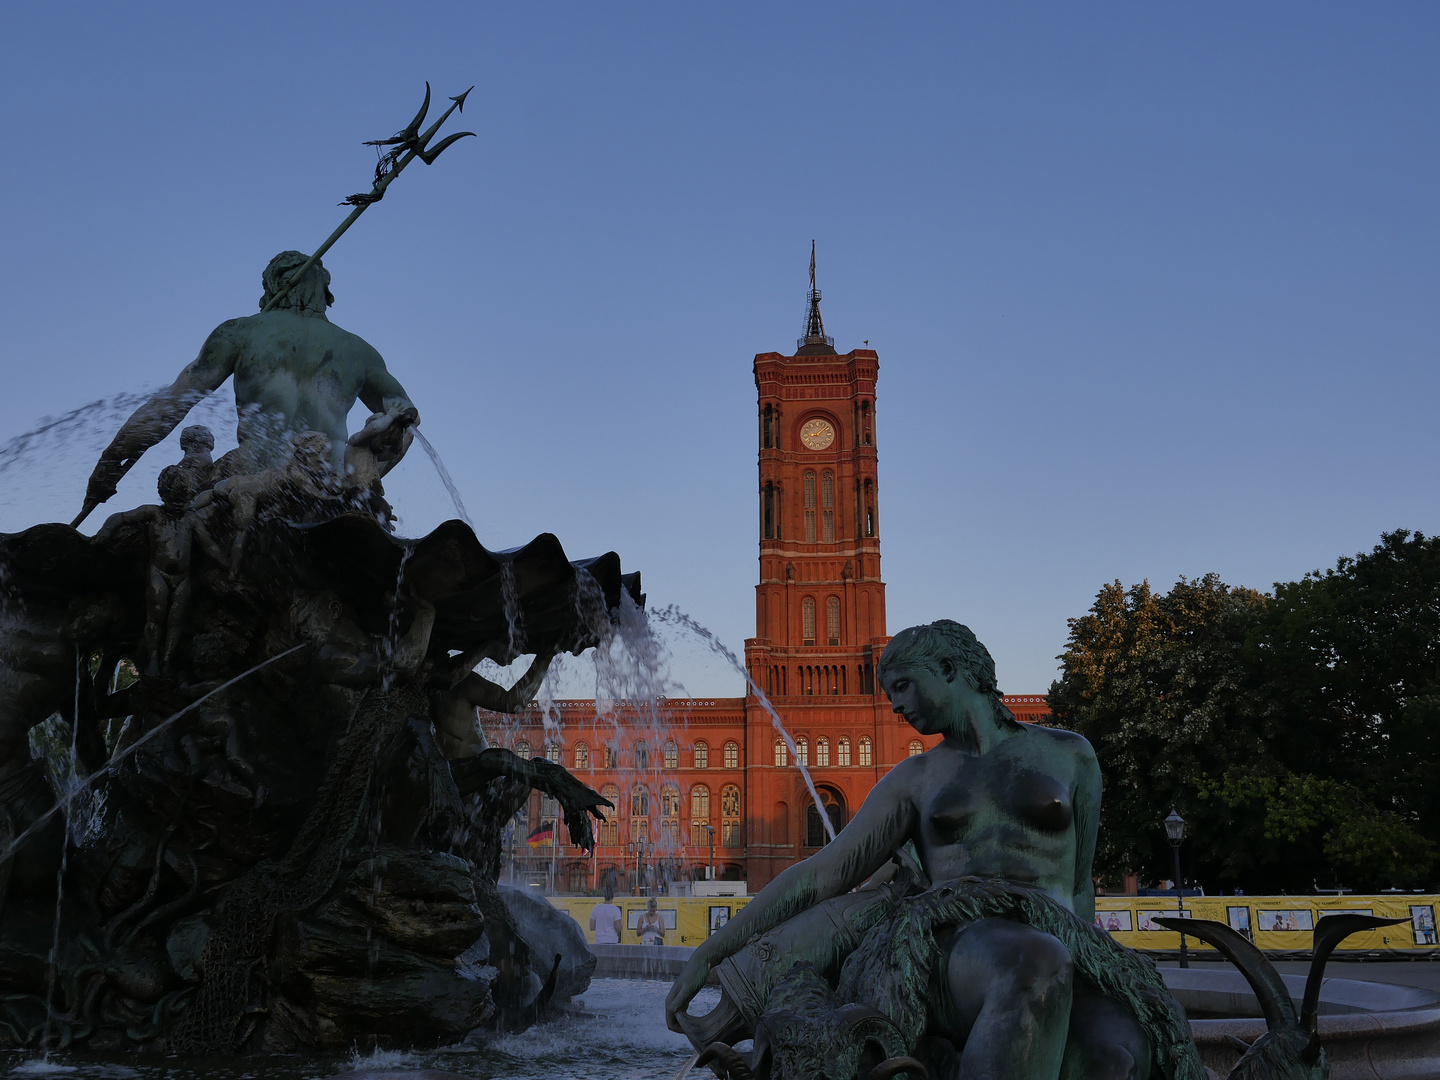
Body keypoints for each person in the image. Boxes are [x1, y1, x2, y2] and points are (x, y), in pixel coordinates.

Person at [667, 620, 1196, 1080]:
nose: (895, 705)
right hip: (959, 946)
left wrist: (1091, 967)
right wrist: (711, 953)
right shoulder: (915, 778)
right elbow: (823, 873)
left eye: (903, 686)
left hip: (1062, 942)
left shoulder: (1070, 754)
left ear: (948, 668)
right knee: (1033, 963)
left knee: (1117, 1054)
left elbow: (1080, 884)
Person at [78, 252, 417, 522]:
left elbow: (167, 409)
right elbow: (407, 422)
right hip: (333, 483)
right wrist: (366, 470)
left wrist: (108, 469)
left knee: (190, 472)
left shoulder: (240, 332)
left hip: (253, 474)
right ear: (324, 294)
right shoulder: (359, 351)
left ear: (274, 286)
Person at [95, 464, 229, 676]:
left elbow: (209, 545)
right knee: (156, 616)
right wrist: (105, 531)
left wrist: (227, 563)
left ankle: (167, 660)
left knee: (176, 619)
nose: (180, 505)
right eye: (176, 499)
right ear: (164, 494)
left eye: (184, 499)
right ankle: (153, 658)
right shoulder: (153, 513)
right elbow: (120, 517)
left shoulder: (190, 519)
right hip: (159, 574)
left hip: (182, 578)